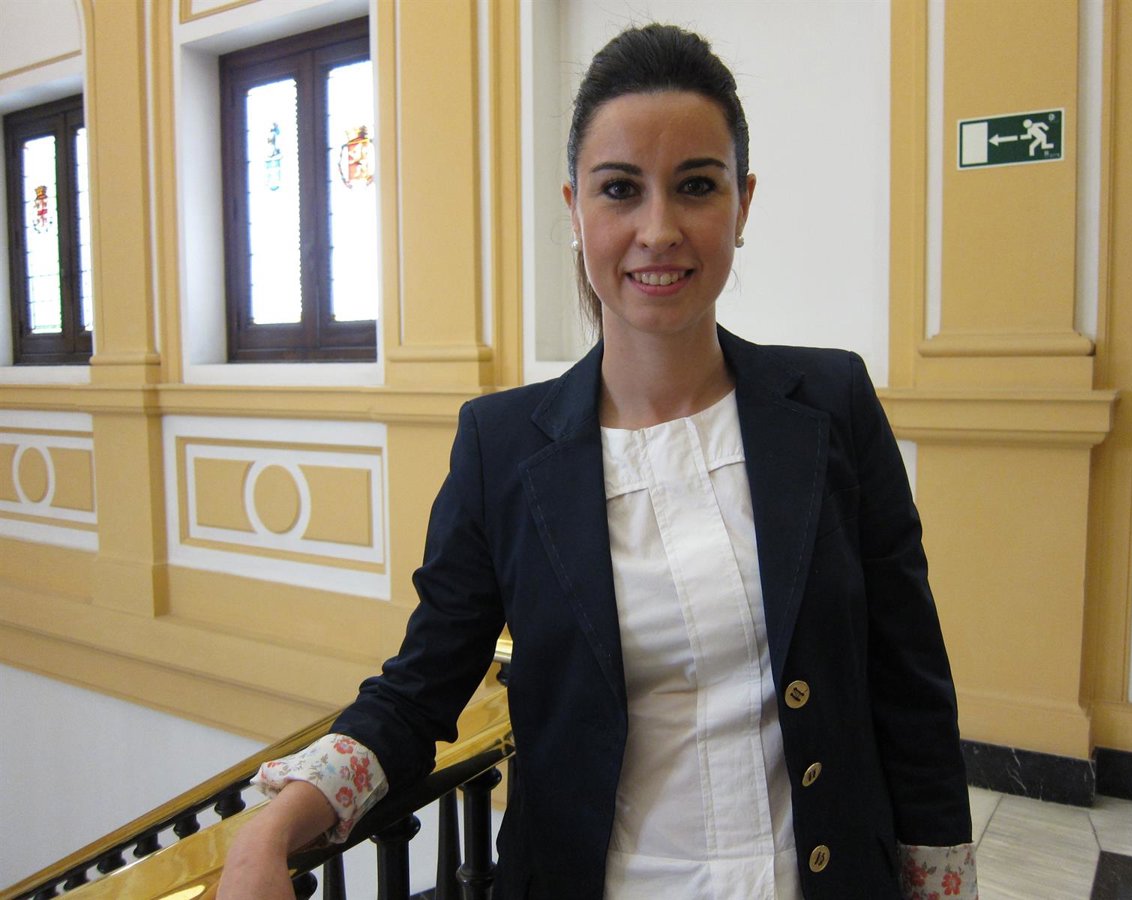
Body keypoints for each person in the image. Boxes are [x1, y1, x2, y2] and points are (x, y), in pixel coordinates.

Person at [219, 23, 978, 900]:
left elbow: (911, 685)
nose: (659, 229)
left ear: (743, 204)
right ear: (575, 209)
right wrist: (270, 828)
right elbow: (419, 689)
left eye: (697, 186)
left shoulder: (832, 406)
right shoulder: (503, 448)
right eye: (621, 190)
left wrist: (940, 883)